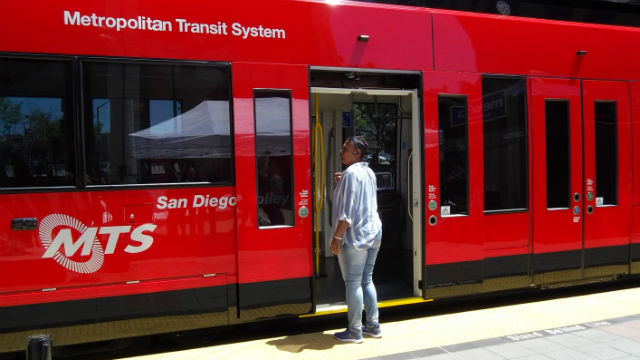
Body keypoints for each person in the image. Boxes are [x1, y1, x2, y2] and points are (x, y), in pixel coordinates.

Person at [331, 136, 383, 343]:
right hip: (374, 232)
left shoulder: (351, 174)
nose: (341, 152)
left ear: (357, 153)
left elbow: (347, 213)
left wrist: (336, 237)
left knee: (353, 282)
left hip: (356, 236)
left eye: (345, 149)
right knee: (367, 279)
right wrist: (342, 180)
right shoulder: (368, 172)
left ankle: (354, 331)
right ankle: (373, 326)